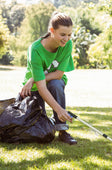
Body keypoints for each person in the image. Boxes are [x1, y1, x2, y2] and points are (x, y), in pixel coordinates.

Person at [20, 11, 77, 145]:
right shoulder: (35, 49)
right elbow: (41, 87)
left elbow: (58, 75)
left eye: (69, 35)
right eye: (62, 34)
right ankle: (49, 121)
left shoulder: (67, 45)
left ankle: (62, 130)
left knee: (56, 84)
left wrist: (33, 78)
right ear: (52, 31)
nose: (66, 38)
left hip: (50, 82)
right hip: (33, 88)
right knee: (41, 130)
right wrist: (59, 110)